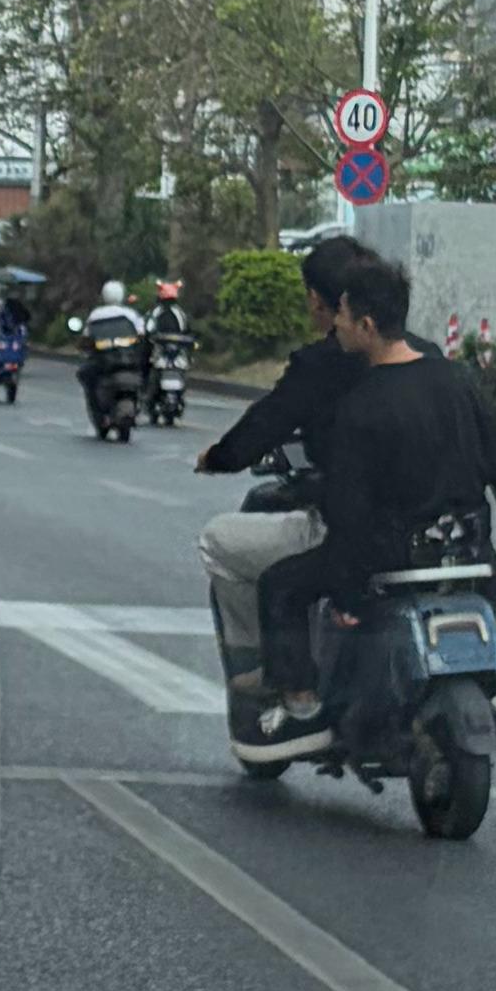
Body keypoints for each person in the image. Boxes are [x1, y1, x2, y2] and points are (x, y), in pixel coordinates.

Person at [301, 242, 496, 751]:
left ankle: (309, 708)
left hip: (394, 562)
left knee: (288, 583)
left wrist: (346, 593)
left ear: (366, 325)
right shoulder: (458, 381)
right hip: (473, 560)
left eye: (342, 315)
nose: (336, 325)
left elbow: (349, 511)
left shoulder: (360, 405)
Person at [195, 238, 373, 730]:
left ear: (320, 301)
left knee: (219, 542)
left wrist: (219, 458)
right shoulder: (427, 362)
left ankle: (269, 672)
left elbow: (268, 422)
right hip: (437, 531)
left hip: (353, 532)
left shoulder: (322, 365)